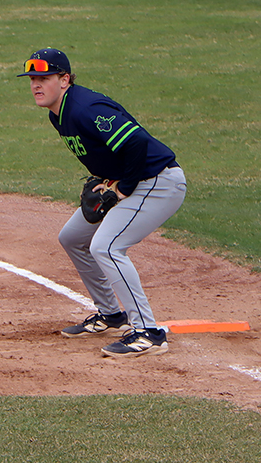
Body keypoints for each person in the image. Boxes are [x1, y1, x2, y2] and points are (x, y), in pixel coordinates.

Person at [19, 48, 186, 358]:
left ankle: (148, 332)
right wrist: (102, 178)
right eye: (32, 79)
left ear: (64, 80)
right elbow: (104, 151)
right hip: (137, 180)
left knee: (106, 246)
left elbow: (134, 142)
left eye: (44, 78)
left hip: (158, 181)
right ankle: (111, 313)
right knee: (72, 237)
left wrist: (122, 188)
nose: (36, 85)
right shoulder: (58, 114)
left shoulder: (84, 107)